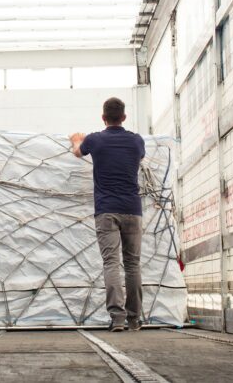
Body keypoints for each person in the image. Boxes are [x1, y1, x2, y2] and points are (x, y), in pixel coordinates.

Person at [70, 97, 146, 332]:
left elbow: (77, 152)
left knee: (111, 262)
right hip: (133, 209)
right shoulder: (136, 141)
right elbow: (140, 158)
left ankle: (118, 318)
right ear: (124, 117)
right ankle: (134, 319)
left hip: (106, 210)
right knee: (133, 264)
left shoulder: (95, 140)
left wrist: (76, 139)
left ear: (103, 118)